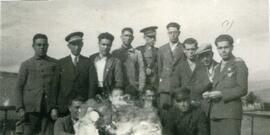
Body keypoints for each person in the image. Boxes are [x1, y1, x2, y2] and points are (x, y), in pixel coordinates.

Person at [203, 34, 248, 135]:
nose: (223, 50)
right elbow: (217, 87)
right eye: (220, 48)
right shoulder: (217, 68)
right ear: (217, 49)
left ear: (232, 47)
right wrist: (209, 94)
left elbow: (243, 89)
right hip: (215, 114)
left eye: (226, 47)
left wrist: (221, 94)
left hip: (230, 115)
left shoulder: (239, 64)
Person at [16, 33, 59, 135]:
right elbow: (19, 87)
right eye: (39, 45)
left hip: (48, 110)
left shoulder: (55, 64)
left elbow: (57, 87)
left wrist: (54, 107)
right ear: (33, 46)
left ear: (48, 46)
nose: (42, 47)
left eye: (44, 45)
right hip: (30, 110)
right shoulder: (26, 65)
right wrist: (20, 108)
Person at [58, 32, 91, 117]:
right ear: (68, 46)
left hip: (83, 106)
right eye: (73, 44)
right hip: (64, 106)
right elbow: (55, 86)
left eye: (79, 44)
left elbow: (92, 84)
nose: (77, 47)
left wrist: (89, 104)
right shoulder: (61, 63)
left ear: (82, 45)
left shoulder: (88, 62)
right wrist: (54, 107)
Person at [171, 38, 211, 106]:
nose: (191, 52)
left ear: (196, 49)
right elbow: (174, 87)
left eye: (193, 49)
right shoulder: (179, 67)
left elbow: (208, 85)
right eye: (188, 49)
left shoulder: (203, 66)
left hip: (201, 103)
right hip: (186, 103)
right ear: (184, 50)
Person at [157, 22, 185, 109]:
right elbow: (159, 69)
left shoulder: (184, 48)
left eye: (175, 32)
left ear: (179, 33)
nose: (173, 35)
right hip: (165, 89)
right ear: (167, 33)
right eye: (170, 32)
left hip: (179, 88)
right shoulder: (162, 49)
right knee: (164, 115)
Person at [112, 27, 145, 99]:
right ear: (121, 37)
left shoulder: (137, 53)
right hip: (119, 89)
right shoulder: (115, 53)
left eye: (130, 36)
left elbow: (141, 71)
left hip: (133, 88)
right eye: (126, 35)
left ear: (133, 38)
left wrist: (141, 88)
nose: (128, 38)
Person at [89, 32, 123, 99]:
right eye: (103, 44)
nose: (105, 47)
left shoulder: (115, 61)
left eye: (108, 45)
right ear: (98, 44)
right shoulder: (92, 58)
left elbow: (119, 82)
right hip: (93, 93)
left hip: (108, 93)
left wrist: (113, 96)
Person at [136, 26, 159, 90]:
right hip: (141, 83)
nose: (153, 39)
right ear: (144, 37)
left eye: (154, 37)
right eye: (150, 37)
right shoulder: (138, 50)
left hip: (154, 84)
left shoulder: (158, 51)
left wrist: (153, 70)